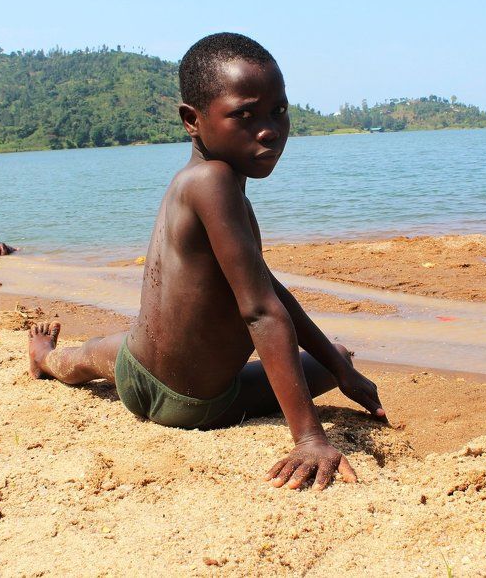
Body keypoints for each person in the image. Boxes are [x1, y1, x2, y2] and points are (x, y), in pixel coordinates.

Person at [27, 33, 386, 490]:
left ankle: (47, 359)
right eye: (244, 114)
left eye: (279, 110)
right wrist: (311, 436)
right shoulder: (216, 181)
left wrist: (343, 376)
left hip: (133, 366)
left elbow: (270, 290)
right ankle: (54, 360)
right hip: (193, 403)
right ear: (192, 121)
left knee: (84, 358)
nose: (269, 129)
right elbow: (259, 310)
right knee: (339, 352)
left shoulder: (193, 180)